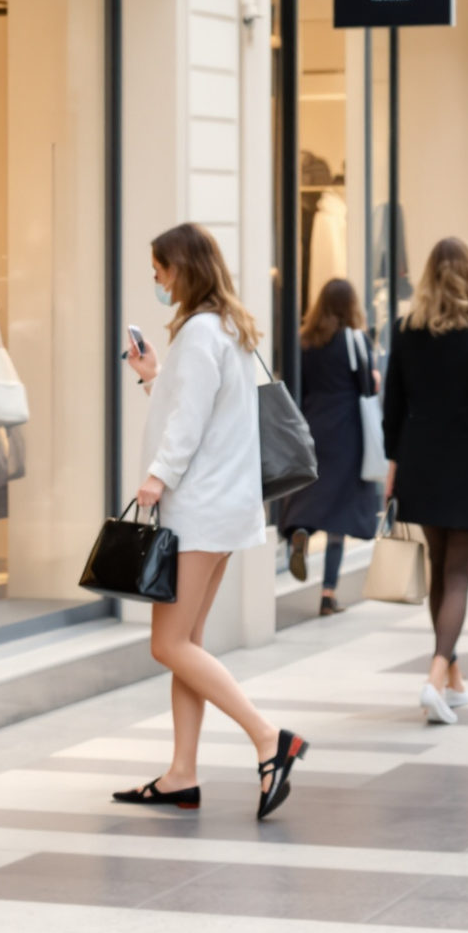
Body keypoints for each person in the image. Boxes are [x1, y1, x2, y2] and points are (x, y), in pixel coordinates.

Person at [117, 222, 308, 818]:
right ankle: (181, 774)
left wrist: (156, 478)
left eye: (160, 268)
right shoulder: (226, 327)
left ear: (183, 268)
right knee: (187, 643)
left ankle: (268, 737)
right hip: (222, 507)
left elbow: (189, 424)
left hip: (197, 508)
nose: (155, 277)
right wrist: (154, 377)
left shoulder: (201, 332)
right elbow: (196, 409)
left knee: (167, 643)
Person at [382, 237, 468, 726]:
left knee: (442, 571)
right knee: (457, 575)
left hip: (422, 463)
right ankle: (437, 674)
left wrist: (393, 464)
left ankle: (454, 681)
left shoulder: (405, 331)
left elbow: (393, 406)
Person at [279, 278, 382, 615]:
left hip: (313, 424)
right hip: (347, 430)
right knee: (341, 512)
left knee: (313, 492)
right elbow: (367, 385)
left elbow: (297, 385)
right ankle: (328, 595)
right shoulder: (354, 339)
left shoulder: (305, 341)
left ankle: (302, 531)